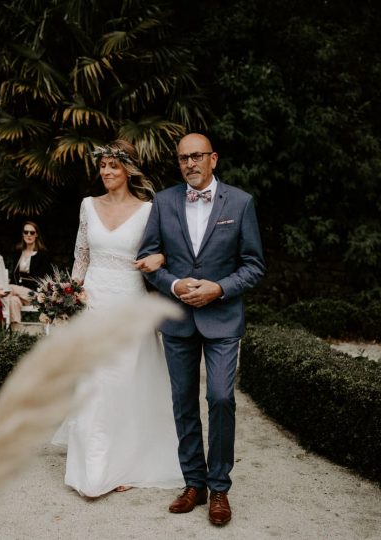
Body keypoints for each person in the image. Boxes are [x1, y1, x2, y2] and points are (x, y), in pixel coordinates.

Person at [137, 133, 266, 526]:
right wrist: (174, 285)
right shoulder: (163, 201)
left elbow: (254, 265)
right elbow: (147, 257)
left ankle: (220, 487)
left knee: (222, 397)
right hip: (177, 319)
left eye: (196, 156)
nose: (189, 164)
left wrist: (219, 288)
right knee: (183, 401)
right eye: (182, 159)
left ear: (214, 159)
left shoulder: (240, 203)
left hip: (223, 318)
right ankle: (194, 483)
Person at [51, 139, 182, 497]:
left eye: (113, 166)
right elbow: (81, 256)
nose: (106, 172)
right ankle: (90, 470)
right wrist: (68, 299)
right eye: (103, 166)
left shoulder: (148, 210)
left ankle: (125, 463)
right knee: (93, 383)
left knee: (123, 385)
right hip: (93, 303)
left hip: (129, 302)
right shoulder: (87, 206)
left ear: (128, 169)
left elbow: (165, 253)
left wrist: (162, 261)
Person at [6, 221, 53, 330]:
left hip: (36, 295)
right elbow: (14, 275)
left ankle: (5, 294)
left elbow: (46, 278)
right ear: (22, 234)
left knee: (9, 289)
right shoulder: (18, 252)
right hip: (18, 294)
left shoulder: (43, 255)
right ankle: (16, 331)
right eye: (26, 232)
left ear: (36, 235)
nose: (29, 235)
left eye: (32, 232)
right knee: (13, 300)